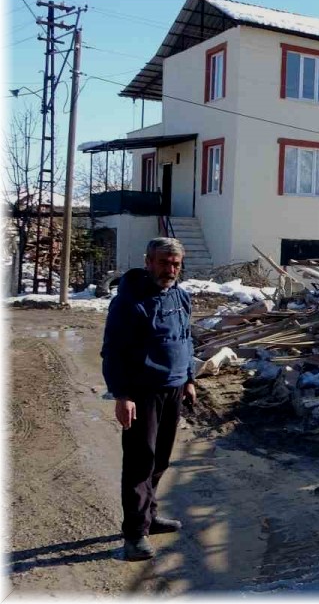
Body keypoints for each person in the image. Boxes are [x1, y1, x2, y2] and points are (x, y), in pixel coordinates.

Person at [101, 237, 196, 561]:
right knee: (140, 462)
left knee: (161, 459)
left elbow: (185, 338)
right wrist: (122, 395)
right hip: (142, 392)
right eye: (164, 262)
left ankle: (149, 516)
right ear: (148, 262)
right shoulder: (130, 302)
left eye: (175, 264)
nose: (170, 269)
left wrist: (189, 378)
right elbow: (113, 352)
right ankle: (134, 535)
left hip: (173, 389)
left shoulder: (181, 297)